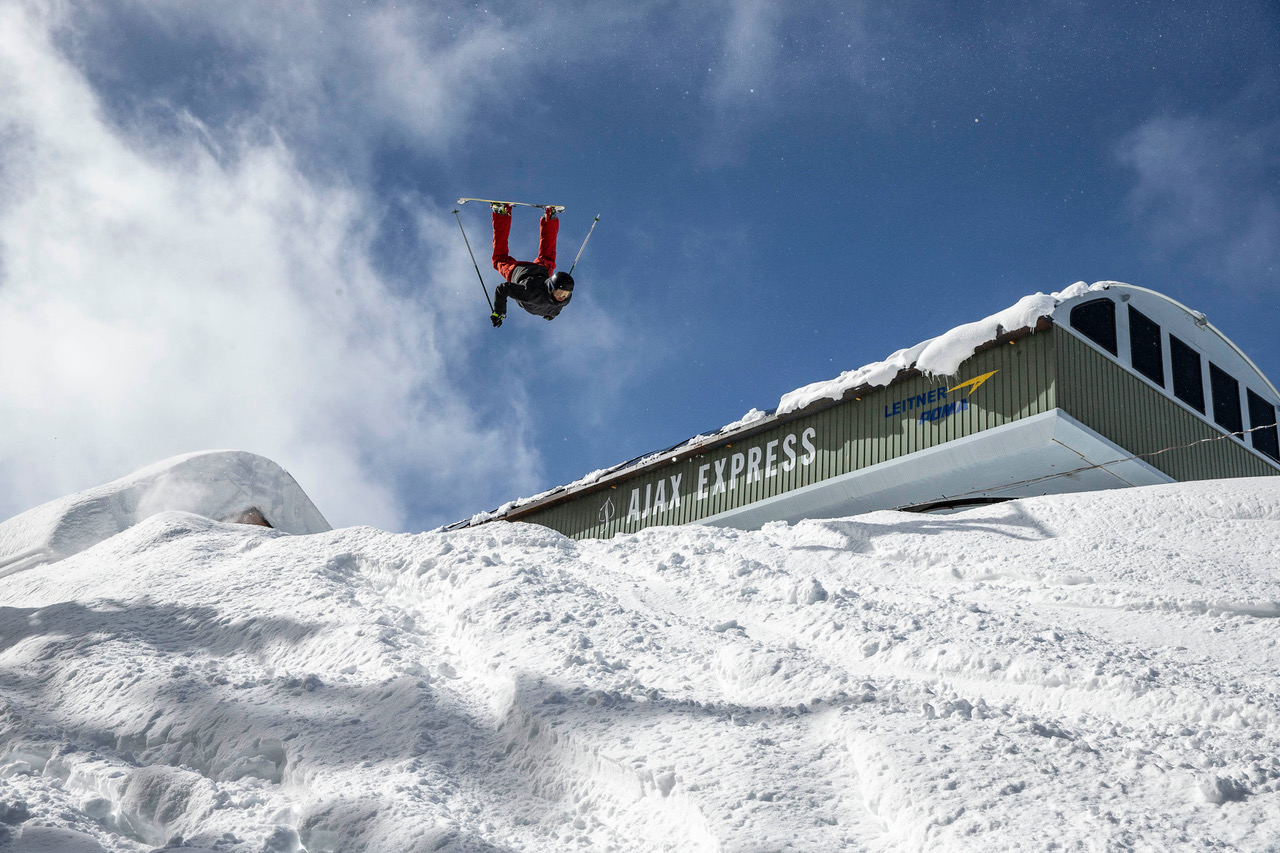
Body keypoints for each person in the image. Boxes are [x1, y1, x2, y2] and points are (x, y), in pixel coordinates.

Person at [489, 203, 575, 327]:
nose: (562, 297)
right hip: (518, 271)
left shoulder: (564, 301)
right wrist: (499, 312)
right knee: (499, 259)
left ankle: (550, 218)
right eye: (561, 292)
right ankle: (501, 213)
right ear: (551, 287)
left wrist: (551, 315)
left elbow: (557, 308)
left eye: (565, 294)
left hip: (540, 271)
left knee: (548, 257)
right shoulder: (529, 293)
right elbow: (502, 289)